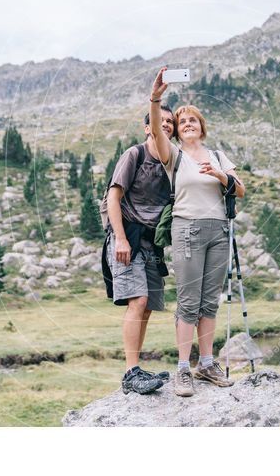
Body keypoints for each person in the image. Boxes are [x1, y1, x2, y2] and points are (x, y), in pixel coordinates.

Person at [149, 66, 246, 397]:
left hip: (219, 230)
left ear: (202, 127)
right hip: (187, 228)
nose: (187, 124)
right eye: (182, 121)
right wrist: (156, 95)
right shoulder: (173, 155)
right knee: (188, 301)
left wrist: (221, 176)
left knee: (209, 302)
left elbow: (241, 189)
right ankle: (182, 369)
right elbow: (157, 133)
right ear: (176, 131)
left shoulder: (218, 155)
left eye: (193, 120)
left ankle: (206, 364)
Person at [105, 104, 177, 394]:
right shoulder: (134, 155)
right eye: (161, 121)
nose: (167, 125)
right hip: (129, 237)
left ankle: (136, 368)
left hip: (151, 242)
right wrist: (120, 238)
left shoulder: (172, 162)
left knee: (146, 307)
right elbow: (113, 196)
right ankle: (130, 373)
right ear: (148, 127)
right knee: (138, 300)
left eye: (171, 122)